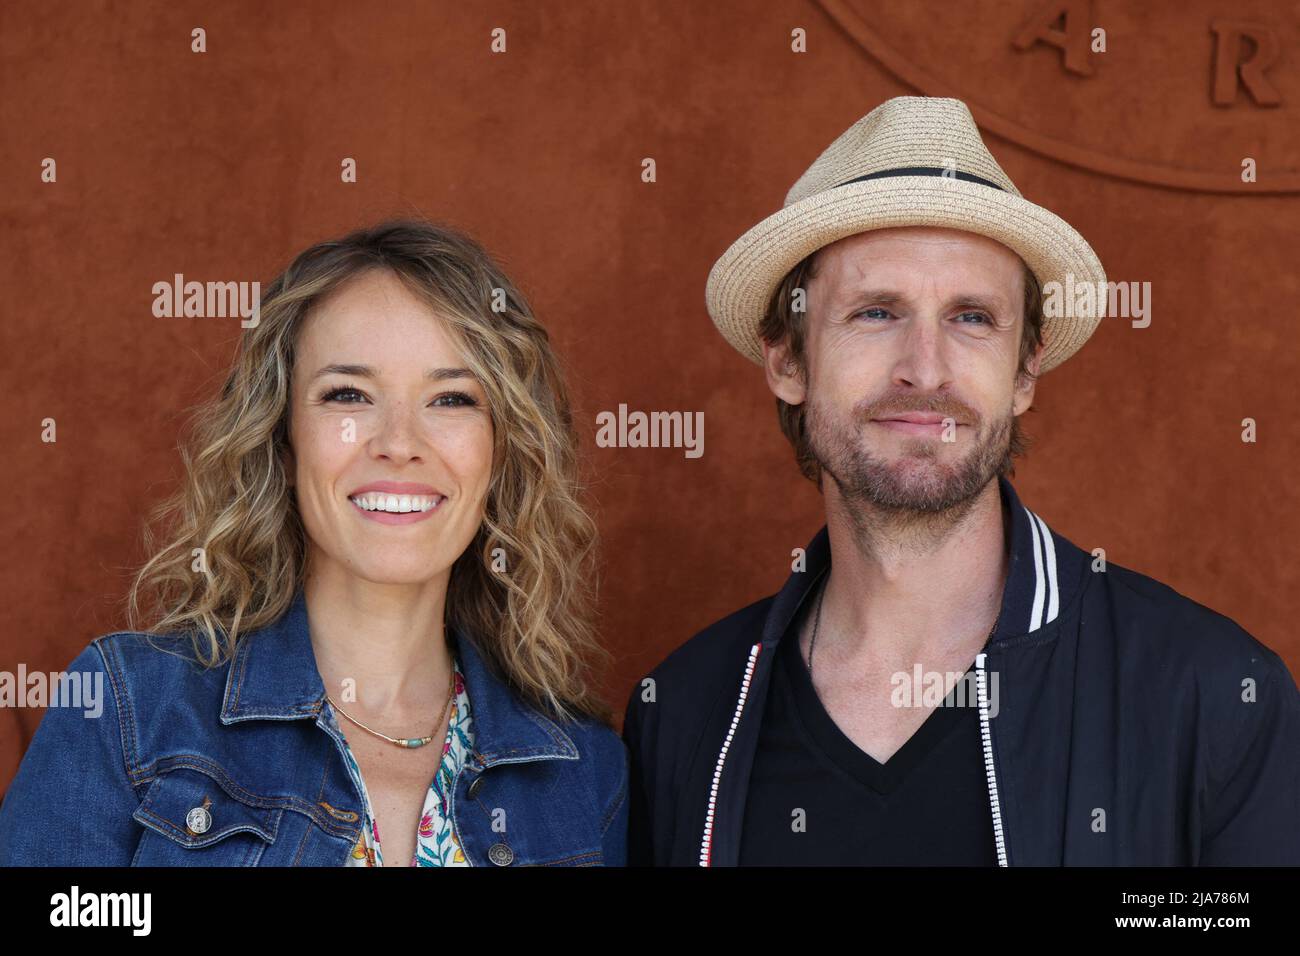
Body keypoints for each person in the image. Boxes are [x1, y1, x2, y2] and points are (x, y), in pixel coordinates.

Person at [622, 96, 1300, 866]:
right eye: (876, 312)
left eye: (972, 317)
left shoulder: (1213, 696)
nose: (927, 368)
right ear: (787, 361)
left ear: (1025, 371)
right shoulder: (683, 712)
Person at [0, 219, 628, 866]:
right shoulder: (129, 708)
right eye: (348, 394)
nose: (399, 442)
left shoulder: (581, 767)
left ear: (502, 450)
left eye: (451, 398)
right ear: (282, 435)